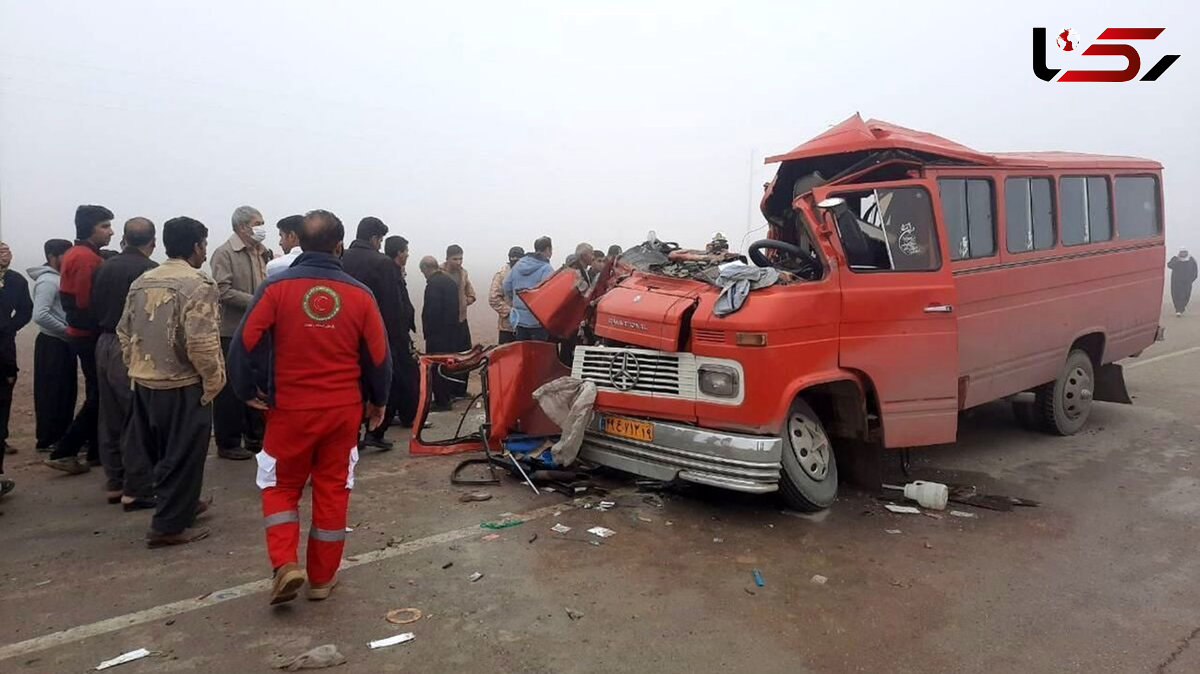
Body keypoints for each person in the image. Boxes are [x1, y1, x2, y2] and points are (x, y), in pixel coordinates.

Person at [227, 209, 391, 605]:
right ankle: (321, 579)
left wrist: (245, 389)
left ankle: (285, 563)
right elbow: (379, 356)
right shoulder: (359, 294)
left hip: (289, 410)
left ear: (298, 241)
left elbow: (243, 344)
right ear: (339, 245)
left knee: (281, 486)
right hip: (342, 411)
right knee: (333, 489)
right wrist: (379, 402)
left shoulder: (275, 288)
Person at [118, 217, 225, 547]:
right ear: (196, 246)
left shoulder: (143, 280)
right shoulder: (199, 284)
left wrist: (136, 366)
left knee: (161, 450)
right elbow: (201, 343)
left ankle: (183, 506)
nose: (205, 253)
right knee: (184, 454)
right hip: (182, 383)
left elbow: (125, 332)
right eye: (204, 245)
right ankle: (168, 526)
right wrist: (213, 382)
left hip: (147, 381)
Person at [90, 218, 159, 507]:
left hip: (104, 343)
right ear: (152, 242)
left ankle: (115, 482)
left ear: (126, 239)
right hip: (131, 345)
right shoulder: (149, 271)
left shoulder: (104, 267)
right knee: (137, 417)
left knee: (110, 416)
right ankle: (139, 487)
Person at [44, 205, 115, 475]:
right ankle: (65, 450)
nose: (109, 231)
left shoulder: (79, 254)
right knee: (99, 395)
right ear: (89, 228)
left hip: (82, 333)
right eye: (104, 226)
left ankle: (96, 451)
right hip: (88, 335)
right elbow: (87, 302)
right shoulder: (86, 258)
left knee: (99, 393)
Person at [340, 217, 407, 451]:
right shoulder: (383, 263)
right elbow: (392, 306)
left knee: (352, 385)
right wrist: (397, 339)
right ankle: (376, 431)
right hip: (376, 334)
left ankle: (351, 434)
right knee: (381, 383)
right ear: (374, 238)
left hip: (345, 336)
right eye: (380, 239)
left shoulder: (342, 258)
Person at [210, 205, 270, 460]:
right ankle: (228, 441)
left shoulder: (262, 253)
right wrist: (259, 300)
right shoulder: (225, 253)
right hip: (232, 330)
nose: (261, 228)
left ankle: (255, 437)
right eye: (258, 223)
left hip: (258, 329)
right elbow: (221, 291)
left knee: (256, 383)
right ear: (242, 227)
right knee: (231, 388)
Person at [28, 239, 77, 452]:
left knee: (65, 391)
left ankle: (62, 435)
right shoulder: (48, 281)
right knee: (52, 393)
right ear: (52, 257)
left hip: (62, 342)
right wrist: (67, 331)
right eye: (65, 256)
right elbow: (40, 314)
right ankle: (48, 439)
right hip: (52, 343)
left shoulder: (58, 279)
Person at [0, 242, 32, 494]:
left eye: (7, 249)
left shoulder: (15, 281)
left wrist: (8, 328)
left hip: (3, 354)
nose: (5, 252)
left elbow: (25, 311)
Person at [384, 235, 419, 427]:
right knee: (405, 374)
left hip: (396, 334)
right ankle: (408, 415)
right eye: (405, 251)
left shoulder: (395, 272)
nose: (408, 254)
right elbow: (395, 307)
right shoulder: (389, 272)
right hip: (395, 336)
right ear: (399, 253)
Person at [420, 255, 461, 410]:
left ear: (426, 268)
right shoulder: (448, 281)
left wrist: (429, 331)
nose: (424, 276)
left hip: (437, 334)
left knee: (437, 367)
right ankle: (446, 397)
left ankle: (442, 401)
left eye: (423, 272)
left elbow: (432, 311)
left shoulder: (434, 284)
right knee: (446, 366)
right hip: (450, 332)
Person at [503, 236, 555, 341]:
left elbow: (506, 285)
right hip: (537, 322)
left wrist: (516, 300)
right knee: (537, 354)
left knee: (522, 353)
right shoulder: (546, 269)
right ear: (548, 249)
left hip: (519, 320)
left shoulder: (518, 265)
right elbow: (549, 295)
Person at [441, 244, 475, 397]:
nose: (459, 262)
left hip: (462, 321)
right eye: (455, 259)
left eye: (461, 258)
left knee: (466, 355)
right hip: (446, 324)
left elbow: (472, 294)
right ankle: (447, 391)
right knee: (449, 357)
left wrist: (464, 302)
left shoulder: (463, 274)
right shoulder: (439, 274)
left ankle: (461, 390)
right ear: (447, 258)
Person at [489, 246, 523, 344]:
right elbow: (493, 298)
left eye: (518, 258)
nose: (515, 260)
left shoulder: (527, 273)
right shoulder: (501, 275)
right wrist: (510, 312)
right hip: (507, 327)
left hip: (525, 326)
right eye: (513, 258)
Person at [1167, 249, 1198, 317]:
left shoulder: (1191, 260)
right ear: (1179, 252)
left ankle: (1181, 308)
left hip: (1187, 282)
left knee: (1186, 296)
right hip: (1176, 282)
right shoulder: (1175, 259)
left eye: (1184, 252)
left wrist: (1191, 280)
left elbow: (1195, 272)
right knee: (1176, 295)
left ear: (1187, 252)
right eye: (1182, 252)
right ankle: (1178, 310)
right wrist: (1177, 260)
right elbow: (1169, 265)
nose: (1183, 253)